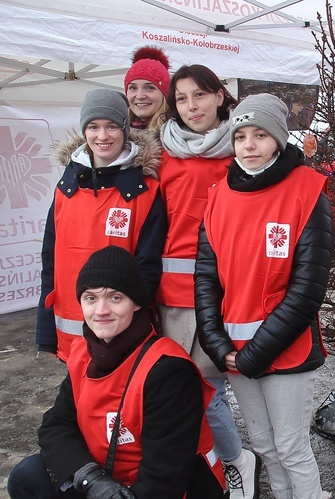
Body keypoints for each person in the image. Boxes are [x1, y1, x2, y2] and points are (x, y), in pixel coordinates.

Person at [195, 93, 334, 499]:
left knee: (291, 448)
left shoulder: (307, 193)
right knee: (265, 446)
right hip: (234, 349)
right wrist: (216, 343)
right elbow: (206, 278)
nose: (249, 145)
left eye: (259, 135)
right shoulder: (218, 196)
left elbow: (308, 290)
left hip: (286, 348)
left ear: (278, 139)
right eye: (240, 136)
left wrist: (256, 353)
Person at [9, 246, 224, 498]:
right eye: (91, 298)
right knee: (28, 475)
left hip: (166, 490)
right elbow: (56, 425)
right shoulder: (83, 354)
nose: (101, 310)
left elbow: (164, 480)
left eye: (115, 297)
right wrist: (89, 478)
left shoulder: (168, 369)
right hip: (105, 481)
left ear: (136, 304)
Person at [158, 65, 259, 499]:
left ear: (220, 96)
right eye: (181, 98)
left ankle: (236, 460)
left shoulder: (241, 151)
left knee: (208, 394)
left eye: (199, 95)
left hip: (223, 297)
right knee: (184, 393)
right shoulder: (164, 153)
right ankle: (216, 465)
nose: (191, 106)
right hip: (170, 300)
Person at [36, 89, 166, 362]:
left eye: (111, 126)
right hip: (70, 328)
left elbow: (148, 266)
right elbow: (50, 261)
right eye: (93, 127)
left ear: (125, 129)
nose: (102, 136)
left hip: (122, 331)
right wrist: (45, 330)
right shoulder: (65, 189)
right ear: (84, 131)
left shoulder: (145, 192)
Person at [124, 46, 170, 133]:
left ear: (165, 94)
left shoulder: (179, 137)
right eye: (133, 88)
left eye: (149, 88)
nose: (140, 96)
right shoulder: (116, 135)